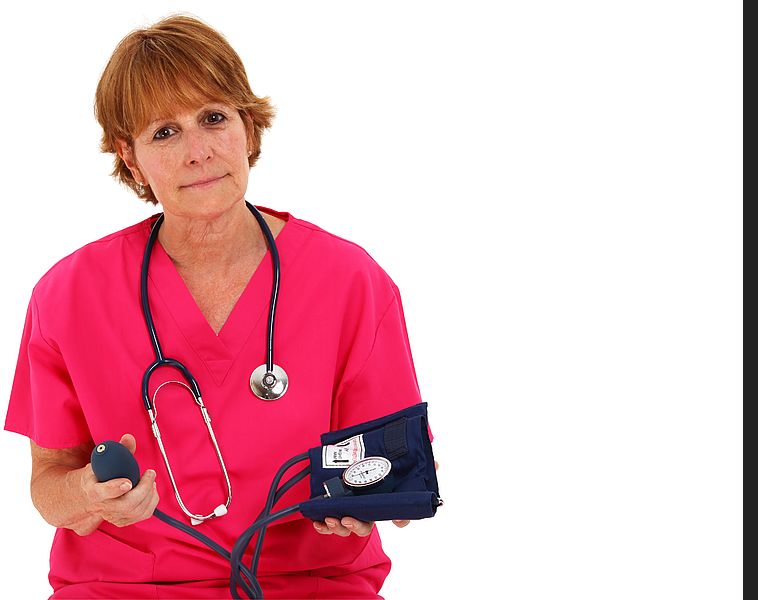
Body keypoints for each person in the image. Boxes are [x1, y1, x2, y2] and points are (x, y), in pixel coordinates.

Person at [4, 14, 435, 599]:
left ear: (249, 129)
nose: (199, 152)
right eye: (164, 132)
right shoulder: (68, 294)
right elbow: (47, 485)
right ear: (130, 159)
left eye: (214, 118)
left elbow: (399, 479)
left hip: (312, 585)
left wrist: (374, 505)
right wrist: (87, 495)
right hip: (125, 589)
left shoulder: (351, 281)